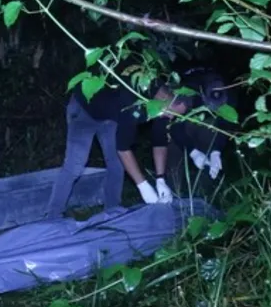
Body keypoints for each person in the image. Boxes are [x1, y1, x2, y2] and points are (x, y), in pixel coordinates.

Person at [46, 58, 193, 218]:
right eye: (172, 113)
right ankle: (53, 216)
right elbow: (123, 148)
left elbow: (159, 139)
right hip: (84, 110)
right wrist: (143, 186)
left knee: (116, 163)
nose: (171, 118)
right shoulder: (133, 101)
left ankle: (112, 210)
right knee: (75, 165)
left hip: (110, 114)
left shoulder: (158, 96)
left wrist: (160, 179)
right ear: (166, 99)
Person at [166, 66, 239, 194]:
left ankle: (204, 193)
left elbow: (226, 125)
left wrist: (216, 151)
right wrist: (193, 152)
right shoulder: (187, 91)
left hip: (209, 124)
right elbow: (175, 126)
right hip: (186, 119)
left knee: (210, 137)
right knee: (173, 144)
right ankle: (172, 191)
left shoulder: (231, 95)